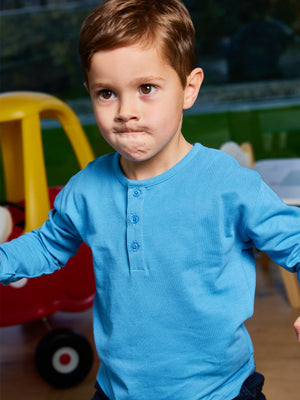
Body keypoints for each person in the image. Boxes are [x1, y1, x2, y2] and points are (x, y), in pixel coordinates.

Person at [0, 1, 299, 399]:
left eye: (146, 89)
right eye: (107, 93)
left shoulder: (230, 185)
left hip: (220, 390)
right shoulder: (87, 188)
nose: (126, 112)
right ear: (89, 92)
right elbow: (47, 245)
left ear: (188, 88)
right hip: (118, 390)